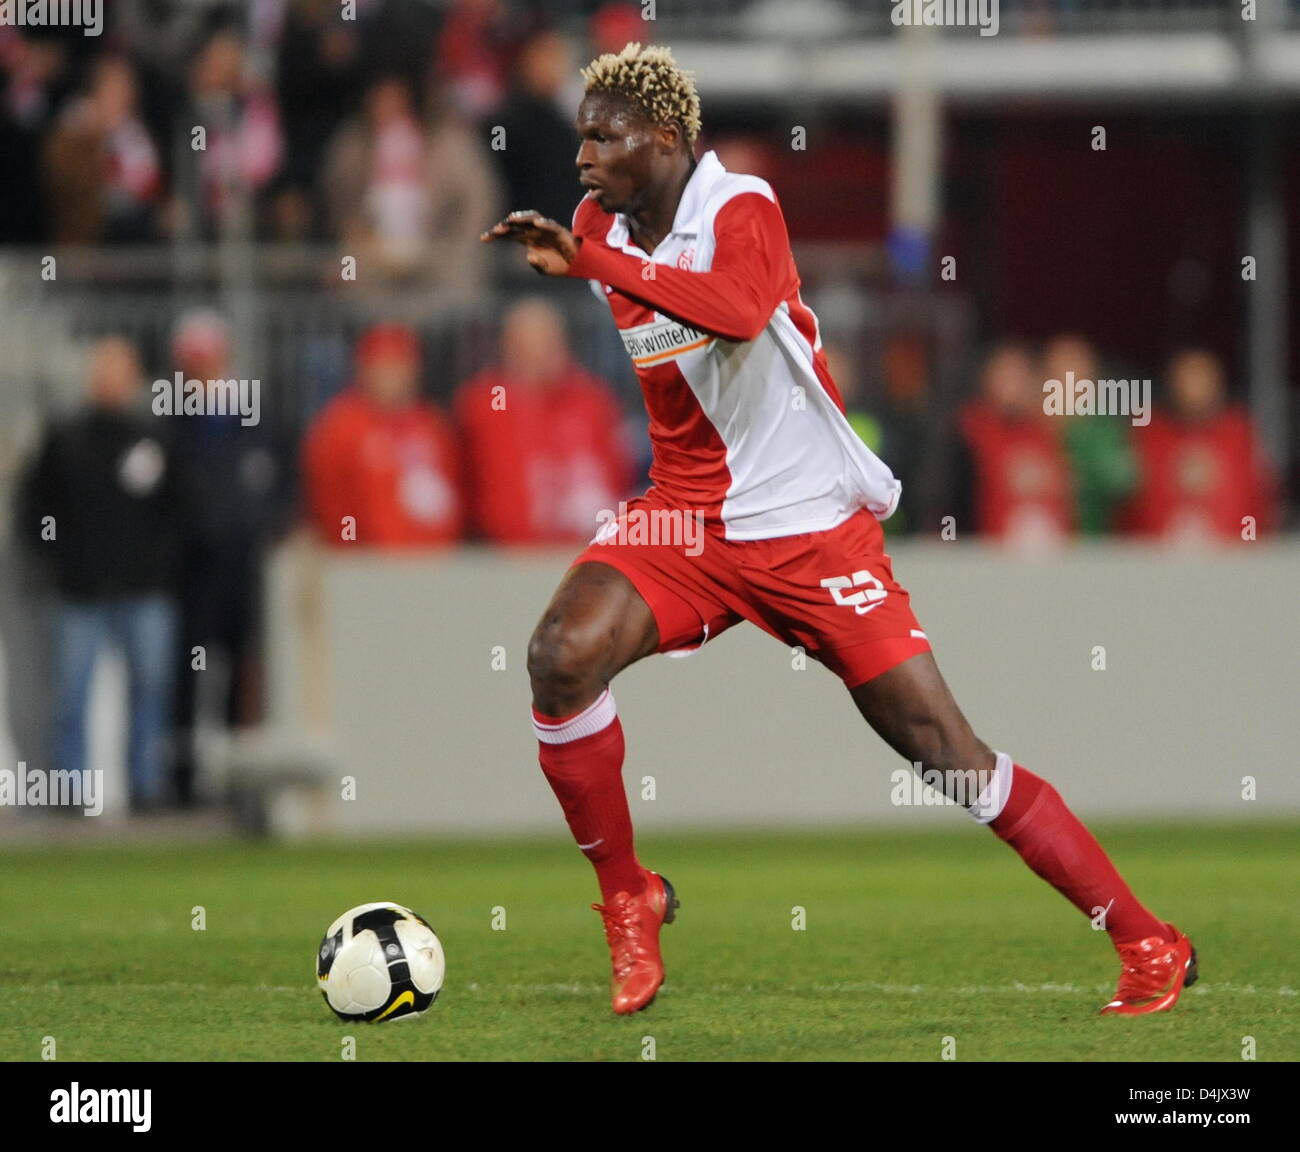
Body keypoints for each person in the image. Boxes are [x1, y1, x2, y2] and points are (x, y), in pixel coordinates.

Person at [482, 42, 1196, 1018]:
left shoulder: (741, 205)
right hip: (687, 518)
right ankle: (628, 899)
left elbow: (736, 313)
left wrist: (593, 263)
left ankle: (1147, 941)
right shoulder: (596, 221)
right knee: (559, 655)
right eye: (579, 139)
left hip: (809, 527)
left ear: (663, 137)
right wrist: (593, 250)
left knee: (946, 752)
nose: (583, 158)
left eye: (603, 138)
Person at [18, 337, 187, 812]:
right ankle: (71, 790)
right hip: (81, 591)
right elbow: (36, 510)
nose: (111, 379)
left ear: (133, 377)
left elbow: (180, 512)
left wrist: (159, 566)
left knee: (151, 689)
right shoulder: (66, 436)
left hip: (145, 588)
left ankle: (146, 786)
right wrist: (59, 560)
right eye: (104, 369)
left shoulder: (154, 438)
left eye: (120, 370)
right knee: (72, 694)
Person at [454, 298, 632, 545]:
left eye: (547, 344)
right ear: (508, 348)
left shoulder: (592, 399)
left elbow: (617, 470)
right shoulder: (487, 402)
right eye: (527, 347)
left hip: (592, 548)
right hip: (509, 553)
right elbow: (473, 480)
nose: (539, 357)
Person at [304, 323, 463, 548]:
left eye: (400, 366)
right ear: (364, 369)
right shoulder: (339, 426)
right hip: (368, 564)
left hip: (432, 563)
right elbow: (328, 500)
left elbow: (453, 488)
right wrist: (351, 547)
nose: (392, 375)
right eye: (383, 366)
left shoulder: (433, 424)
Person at [1124, 348, 1276, 545]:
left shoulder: (1239, 435)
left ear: (1217, 383)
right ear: (1172, 383)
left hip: (1232, 558)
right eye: (1186, 378)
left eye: (1200, 378)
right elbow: (1129, 504)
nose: (1193, 388)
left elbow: (1260, 500)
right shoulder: (1148, 434)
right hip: (1154, 558)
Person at [955, 342, 1075, 548]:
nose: (1012, 386)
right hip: (994, 550)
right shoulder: (975, 428)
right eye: (1005, 376)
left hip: (1055, 551)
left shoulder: (1050, 432)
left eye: (1019, 377)